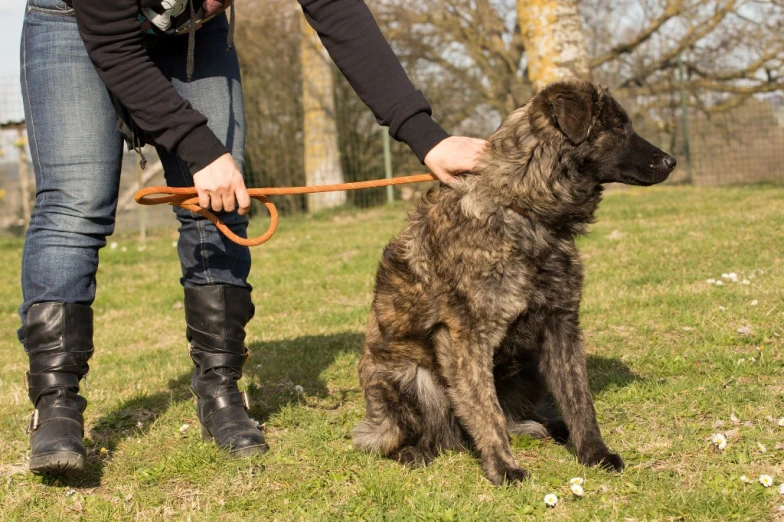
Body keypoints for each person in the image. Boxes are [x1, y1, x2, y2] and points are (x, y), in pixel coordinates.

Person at [18, 0, 488, 474]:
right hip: (74, 23)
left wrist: (426, 135)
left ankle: (220, 389)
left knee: (221, 208)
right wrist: (201, 149)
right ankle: (56, 404)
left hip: (193, 35)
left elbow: (337, 10)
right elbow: (115, 49)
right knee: (74, 209)